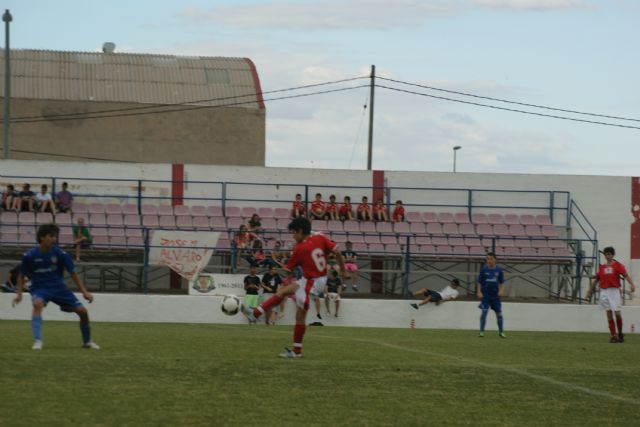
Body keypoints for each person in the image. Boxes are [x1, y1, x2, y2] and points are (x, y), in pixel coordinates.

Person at [242, 217, 346, 358]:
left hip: (312, 282)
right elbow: (338, 252)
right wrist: (343, 270)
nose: (293, 236)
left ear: (301, 231)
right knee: (284, 291)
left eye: (294, 233)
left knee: (300, 316)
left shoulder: (300, 248)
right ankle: (255, 314)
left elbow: (288, 271)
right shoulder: (320, 237)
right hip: (315, 279)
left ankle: (296, 352)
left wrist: (286, 267)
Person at [12, 223, 100, 350]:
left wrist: (84, 292)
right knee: (37, 304)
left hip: (59, 288)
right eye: (51, 236)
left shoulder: (61, 254)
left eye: (55, 236)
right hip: (40, 288)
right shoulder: (29, 256)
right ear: (42, 237)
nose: (54, 239)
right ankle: (38, 341)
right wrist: (19, 294)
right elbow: (21, 275)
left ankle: (87, 342)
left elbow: (73, 273)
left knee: (83, 312)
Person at [586, 246, 636, 343]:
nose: (608, 256)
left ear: (613, 255)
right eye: (606, 254)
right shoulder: (602, 267)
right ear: (604, 255)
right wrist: (589, 291)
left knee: (617, 314)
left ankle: (620, 333)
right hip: (604, 292)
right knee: (609, 314)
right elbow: (596, 280)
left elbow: (626, 275)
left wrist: (632, 284)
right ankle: (613, 336)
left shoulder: (618, 266)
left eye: (609, 254)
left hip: (614, 291)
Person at [476, 252, 506, 338]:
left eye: (491, 259)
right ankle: (481, 332)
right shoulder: (484, 270)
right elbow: (479, 282)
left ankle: (501, 332)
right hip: (486, 296)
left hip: (495, 296)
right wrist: (479, 292)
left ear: (495, 260)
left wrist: (501, 291)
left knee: (499, 313)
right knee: (484, 312)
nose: (489, 260)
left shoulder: (499, 270)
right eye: (487, 259)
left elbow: (502, 282)